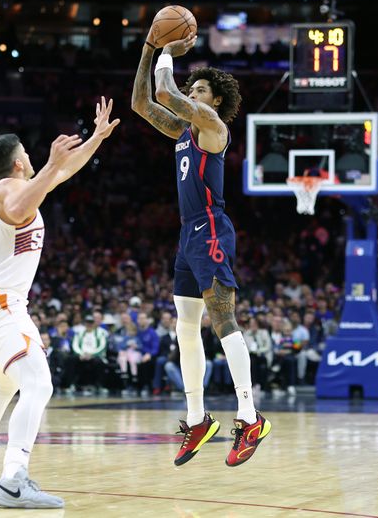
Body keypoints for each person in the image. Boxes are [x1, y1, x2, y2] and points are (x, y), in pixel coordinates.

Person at [0, 96, 118, 509]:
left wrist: (95, 137)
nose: (32, 156)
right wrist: (50, 165)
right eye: (27, 153)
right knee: (39, 384)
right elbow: (23, 205)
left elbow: (64, 172)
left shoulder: (22, 184)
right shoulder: (9, 189)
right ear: (19, 162)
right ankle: (12, 480)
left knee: (6, 385)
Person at [132, 33, 270, 468]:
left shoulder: (213, 126)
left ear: (215, 100)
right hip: (187, 234)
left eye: (200, 90)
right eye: (191, 89)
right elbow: (142, 103)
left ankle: (250, 416)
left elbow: (164, 92)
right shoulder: (181, 131)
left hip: (210, 227)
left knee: (222, 319)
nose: (191, 94)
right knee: (185, 327)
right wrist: (148, 49)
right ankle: (198, 419)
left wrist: (168, 52)